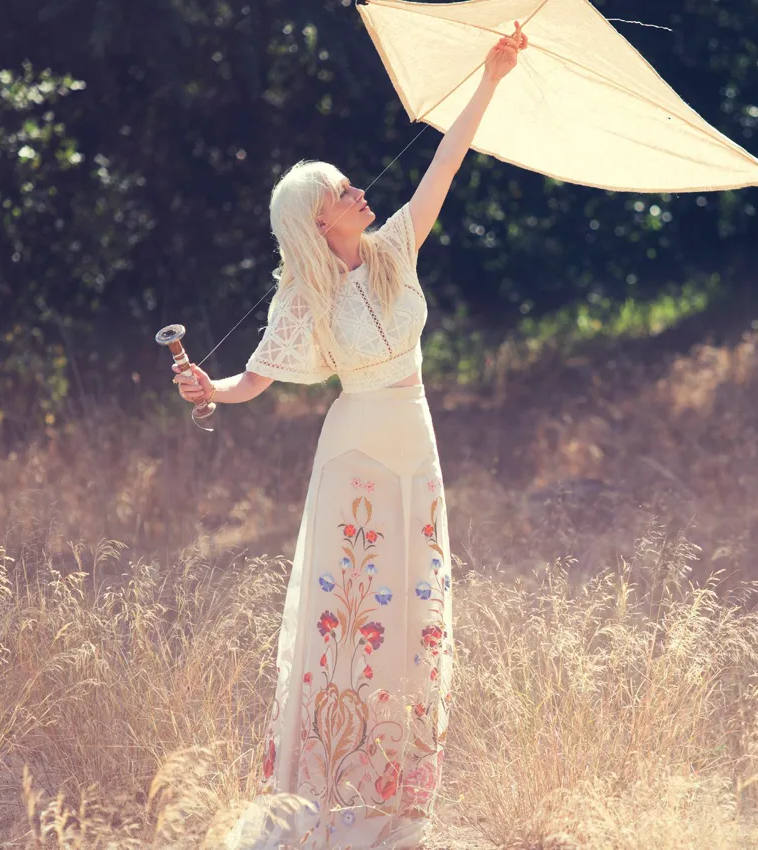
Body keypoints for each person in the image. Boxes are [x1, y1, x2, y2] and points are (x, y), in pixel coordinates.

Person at [172, 23, 529, 850]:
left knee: (412, 611)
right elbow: (255, 376)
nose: (359, 189)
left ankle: (394, 798)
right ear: (317, 218)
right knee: (351, 614)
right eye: (341, 190)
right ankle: (326, 796)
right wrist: (209, 390)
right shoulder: (304, 299)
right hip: (355, 453)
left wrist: (492, 77)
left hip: (417, 443)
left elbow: (445, 162)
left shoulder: (394, 251)